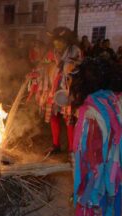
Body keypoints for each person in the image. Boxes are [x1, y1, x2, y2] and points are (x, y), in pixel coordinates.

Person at [70, 58, 122, 216]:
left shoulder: (90, 112)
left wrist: (83, 188)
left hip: (102, 186)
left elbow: (90, 160)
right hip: (117, 181)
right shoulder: (115, 99)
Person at [41, 27, 82, 156]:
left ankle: (72, 149)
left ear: (66, 40)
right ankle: (56, 145)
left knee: (69, 119)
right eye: (55, 41)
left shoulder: (75, 51)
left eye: (59, 41)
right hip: (54, 88)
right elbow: (44, 65)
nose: (56, 43)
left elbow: (77, 68)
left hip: (68, 89)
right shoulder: (53, 51)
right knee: (54, 115)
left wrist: (65, 65)